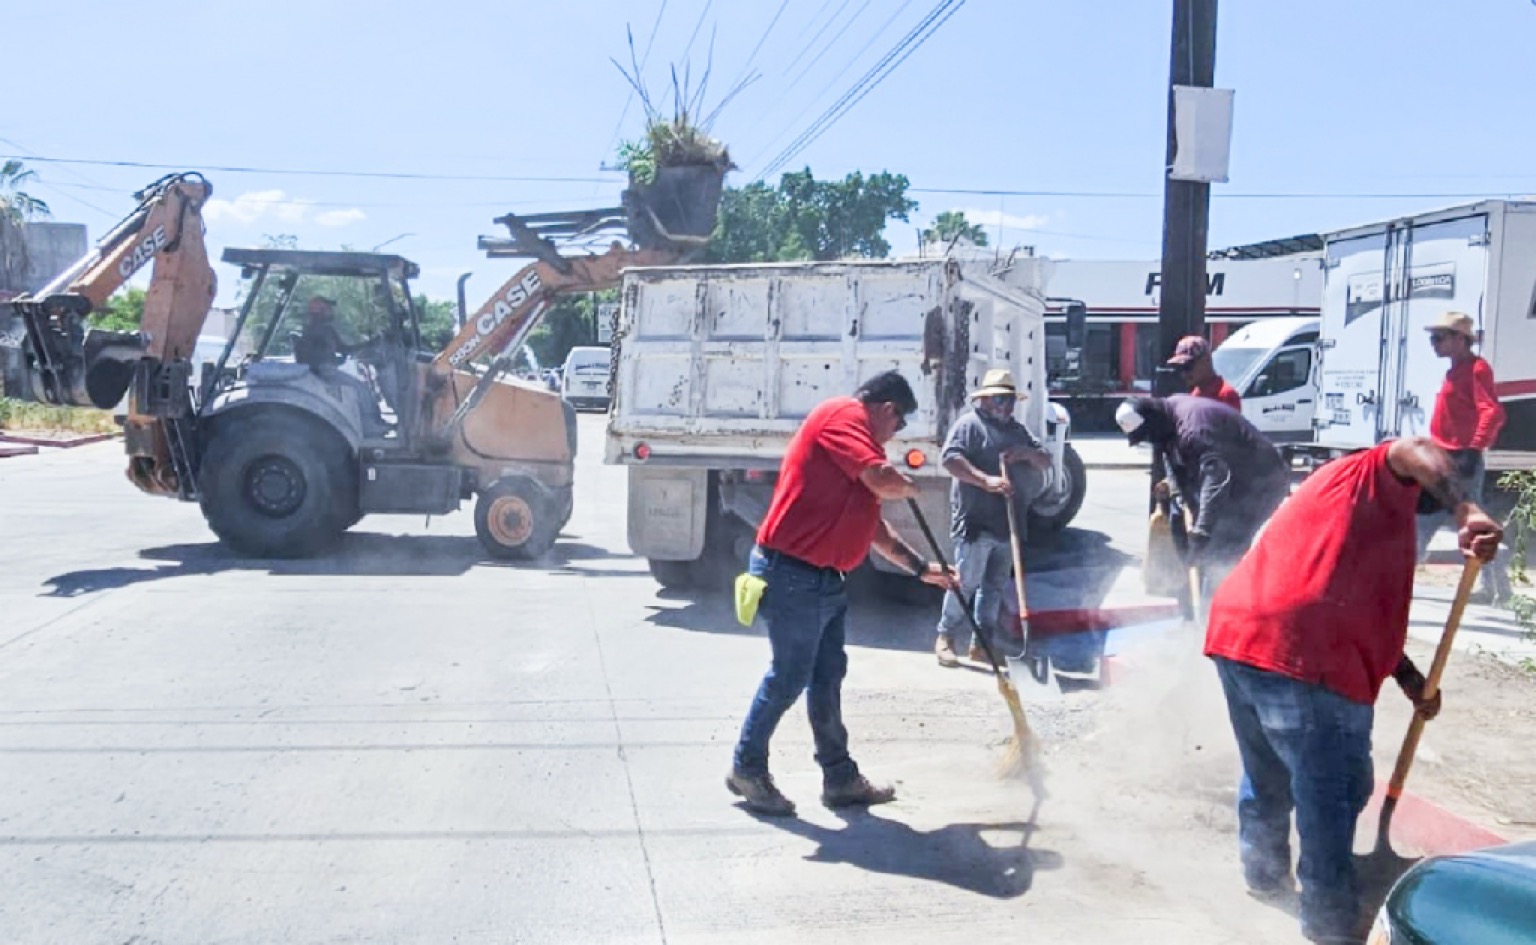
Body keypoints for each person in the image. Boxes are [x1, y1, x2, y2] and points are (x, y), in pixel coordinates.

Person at [1204, 437, 1501, 943]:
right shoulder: (1374, 471)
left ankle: (1264, 876)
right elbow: (1415, 450)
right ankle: (1328, 920)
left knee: (1269, 770)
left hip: (1239, 637)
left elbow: (1347, 605)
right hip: (1302, 654)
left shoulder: (1333, 495)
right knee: (1334, 790)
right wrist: (1467, 506)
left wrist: (1411, 682)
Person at [728, 370, 957, 817]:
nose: (895, 435)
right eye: (900, 424)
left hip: (823, 580)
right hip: (791, 574)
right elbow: (881, 479)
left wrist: (921, 568)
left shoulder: (854, 453)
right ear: (888, 409)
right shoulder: (842, 416)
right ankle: (746, 767)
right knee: (789, 675)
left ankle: (839, 778)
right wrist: (909, 483)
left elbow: (875, 529)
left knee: (827, 676)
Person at [1116, 395, 1289, 599]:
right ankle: (1205, 616)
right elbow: (1171, 459)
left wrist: (1202, 531)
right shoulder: (1167, 420)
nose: (1148, 440)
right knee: (1206, 549)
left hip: (1260, 482)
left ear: (1153, 421)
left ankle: (1213, 619)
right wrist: (1181, 496)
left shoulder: (1194, 430)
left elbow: (1216, 481)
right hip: (1234, 481)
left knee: (1220, 553)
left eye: (1146, 435)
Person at [934, 368, 1052, 667]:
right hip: (975, 523)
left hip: (1008, 524)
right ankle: (946, 636)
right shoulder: (970, 426)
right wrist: (985, 480)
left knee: (994, 586)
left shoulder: (1016, 430)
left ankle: (982, 643)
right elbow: (950, 459)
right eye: (1000, 399)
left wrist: (1025, 453)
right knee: (966, 583)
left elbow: (1045, 460)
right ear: (985, 400)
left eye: (1010, 400)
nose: (1006, 406)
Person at [1416, 310, 1511, 604]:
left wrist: (1473, 448)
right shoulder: (1454, 371)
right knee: (1440, 522)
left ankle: (1400, 582)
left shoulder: (1476, 369)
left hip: (1460, 459)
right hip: (1446, 455)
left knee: (1448, 524)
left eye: (1439, 338)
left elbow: (1493, 412)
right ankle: (1498, 588)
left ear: (1460, 339)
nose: (1434, 344)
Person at [294, 295, 389, 436]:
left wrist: (370, 343)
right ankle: (369, 426)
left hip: (325, 369)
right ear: (320, 310)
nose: (332, 312)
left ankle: (376, 422)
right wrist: (330, 361)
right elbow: (314, 355)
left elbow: (343, 349)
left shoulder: (323, 329)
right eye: (328, 308)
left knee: (363, 386)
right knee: (360, 389)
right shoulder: (317, 330)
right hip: (323, 372)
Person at [1168, 334, 1241, 411]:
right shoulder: (1195, 394)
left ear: (1206, 361)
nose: (1184, 374)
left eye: (1187, 367)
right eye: (1180, 368)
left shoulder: (1226, 395)